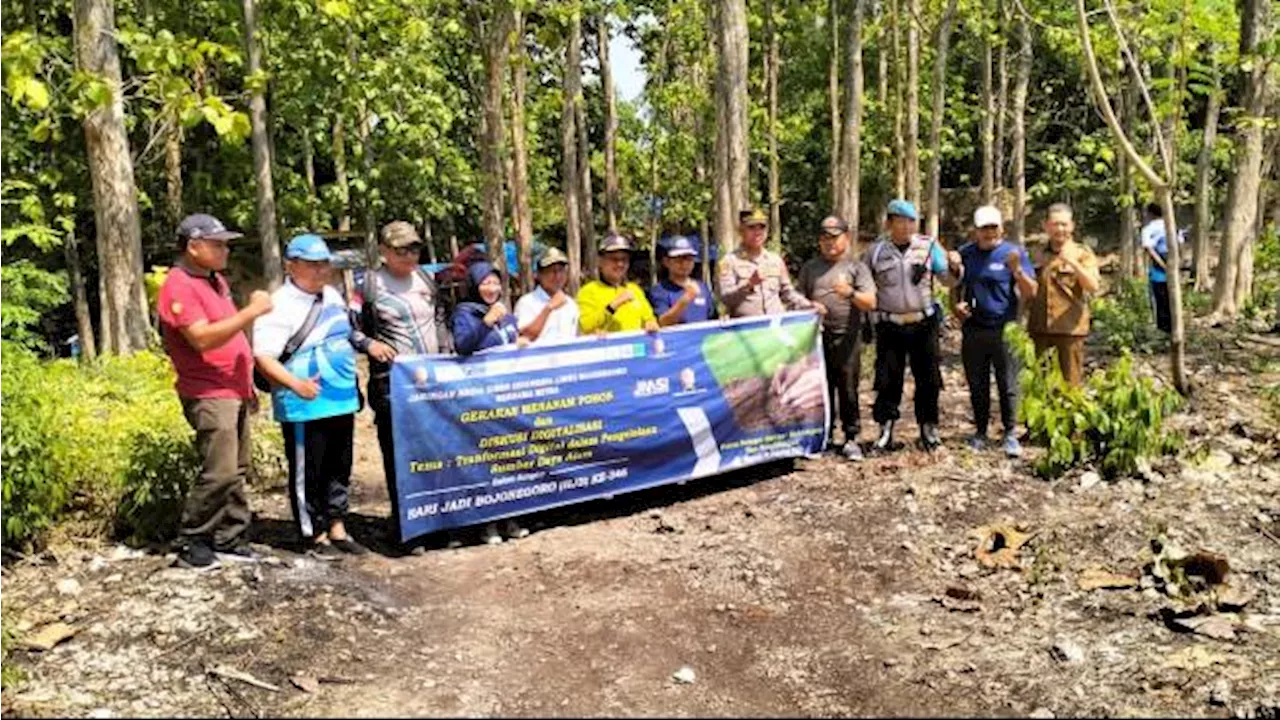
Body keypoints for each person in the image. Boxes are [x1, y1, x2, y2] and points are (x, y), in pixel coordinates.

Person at [156, 213, 273, 570]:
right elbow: (203, 338)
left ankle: (231, 535)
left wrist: (247, 381)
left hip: (233, 388)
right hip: (208, 392)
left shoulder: (214, 281)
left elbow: (228, 336)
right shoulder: (179, 286)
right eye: (218, 243)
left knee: (236, 468)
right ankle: (193, 539)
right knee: (219, 470)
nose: (225, 250)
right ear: (194, 247)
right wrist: (251, 311)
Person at [253, 235, 368, 558]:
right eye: (313, 265)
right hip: (303, 402)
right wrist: (295, 385)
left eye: (324, 264)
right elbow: (263, 357)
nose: (321, 271)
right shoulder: (279, 305)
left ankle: (337, 525)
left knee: (339, 464)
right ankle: (312, 533)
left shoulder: (331, 295)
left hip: (340, 396)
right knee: (309, 470)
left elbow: (345, 335)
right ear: (292, 266)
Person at [351, 220, 444, 544]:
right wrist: (369, 345)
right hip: (392, 384)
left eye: (414, 248)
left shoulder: (425, 279)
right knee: (400, 453)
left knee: (436, 449)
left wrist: (448, 353)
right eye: (402, 250)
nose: (410, 255)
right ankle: (408, 526)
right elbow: (348, 328)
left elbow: (440, 319)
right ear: (385, 252)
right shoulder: (368, 285)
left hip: (433, 381)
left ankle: (440, 520)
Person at [864, 199, 961, 452]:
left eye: (911, 221)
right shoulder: (876, 252)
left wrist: (954, 265)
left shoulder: (928, 247)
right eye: (900, 221)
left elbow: (948, 281)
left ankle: (928, 427)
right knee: (887, 379)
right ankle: (886, 429)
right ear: (889, 223)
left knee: (928, 378)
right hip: (890, 324)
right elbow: (865, 285)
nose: (906, 226)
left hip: (923, 323)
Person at [952, 206, 1038, 458]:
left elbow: (1031, 291)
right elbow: (955, 285)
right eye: (983, 228)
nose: (988, 233)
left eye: (992, 227)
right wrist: (956, 306)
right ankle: (980, 431)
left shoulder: (1013, 253)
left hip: (1005, 328)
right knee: (977, 383)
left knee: (1008, 382)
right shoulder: (966, 254)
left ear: (1001, 228)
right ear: (975, 231)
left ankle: (1010, 432)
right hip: (974, 328)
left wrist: (1017, 270)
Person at [798, 215, 877, 461]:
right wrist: (809, 305)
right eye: (824, 238)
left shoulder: (857, 267)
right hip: (817, 337)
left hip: (848, 336)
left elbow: (870, 302)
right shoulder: (810, 268)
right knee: (821, 388)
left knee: (848, 388)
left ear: (846, 238)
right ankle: (825, 435)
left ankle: (851, 437)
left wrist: (849, 292)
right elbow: (797, 299)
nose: (829, 243)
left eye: (834, 237)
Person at [1027, 203, 1101, 386]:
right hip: (1040, 329)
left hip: (1069, 331)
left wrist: (1075, 265)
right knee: (1041, 387)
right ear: (1046, 226)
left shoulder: (1082, 254)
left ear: (1072, 226)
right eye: (1055, 224)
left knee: (1070, 387)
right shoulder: (1035, 254)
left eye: (1064, 224)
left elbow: (1092, 286)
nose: (1060, 229)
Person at [719, 208, 819, 318]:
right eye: (751, 228)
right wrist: (748, 285)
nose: (757, 233)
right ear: (741, 231)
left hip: (775, 327)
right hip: (747, 330)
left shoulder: (775, 260)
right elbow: (725, 299)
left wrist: (809, 305)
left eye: (762, 227)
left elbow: (787, 293)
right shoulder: (729, 261)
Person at [577, 234, 660, 334]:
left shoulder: (635, 290)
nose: (620, 264)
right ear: (600, 261)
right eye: (614, 259)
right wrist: (612, 306)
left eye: (624, 260)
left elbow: (649, 318)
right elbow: (584, 325)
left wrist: (650, 324)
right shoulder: (588, 291)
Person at [451, 262, 521, 355]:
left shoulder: (502, 313)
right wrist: (485, 324)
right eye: (486, 283)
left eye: (496, 283)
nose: (492, 289)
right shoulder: (464, 314)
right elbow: (462, 346)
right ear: (474, 286)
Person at [649, 235, 718, 326]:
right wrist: (685, 300)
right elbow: (663, 322)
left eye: (689, 259)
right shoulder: (660, 290)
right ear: (666, 262)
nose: (684, 264)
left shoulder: (702, 287)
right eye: (679, 260)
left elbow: (713, 318)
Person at [515, 247, 579, 344]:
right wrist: (548, 308)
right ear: (539, 275)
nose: (557, 276)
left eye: (561, 270)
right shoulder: (526, 302)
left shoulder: (571, 304)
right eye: (551, 271)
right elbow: (524, 336)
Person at [1140, 202, 1177, 334]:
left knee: (1159, 300)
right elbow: (1181, 243)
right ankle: (1174, 327)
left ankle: (1163, 330)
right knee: (1172, 298)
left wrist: (1162, 265)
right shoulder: (1171, 226)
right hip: (1173, 264)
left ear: (1150, 214)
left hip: (1158, 270)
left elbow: (1149, 249)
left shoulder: (1148, 229)